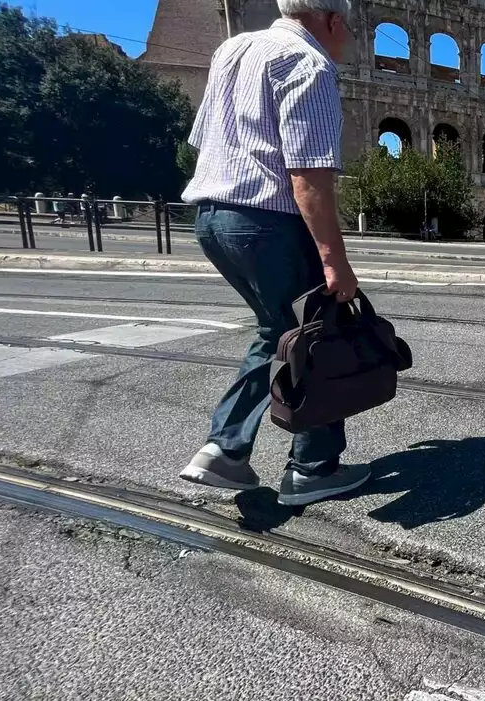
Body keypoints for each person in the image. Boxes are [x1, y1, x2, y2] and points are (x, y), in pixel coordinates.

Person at [178, 0, 367, 507]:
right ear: (330, 20)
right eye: (345, 25)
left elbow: (205, 140)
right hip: (270, 222)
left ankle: (227, 450)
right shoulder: (308, 63)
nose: (346, 34)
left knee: (279, 330)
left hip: (214, 219)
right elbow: (307, 173)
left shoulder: (233, 49)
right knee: (315, 334)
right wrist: (334, 260)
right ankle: (311, 468)